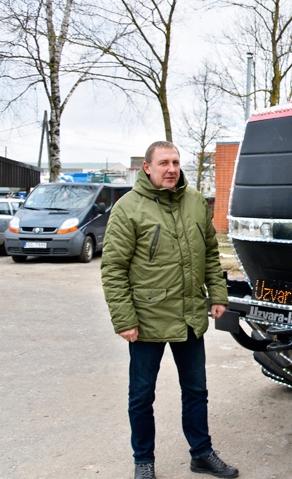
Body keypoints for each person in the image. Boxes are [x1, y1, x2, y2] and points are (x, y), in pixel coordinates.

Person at [102, 141, 239, 479]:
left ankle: (202, 453)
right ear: (147, 168)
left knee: (196, 390)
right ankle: (143, 461)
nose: (171, 169)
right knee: (142, 396)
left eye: (175, 162)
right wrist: (124, 320)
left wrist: (218, 294)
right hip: (146, 320)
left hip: (190, 317)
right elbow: (114, 268)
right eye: (163, 162)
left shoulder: (195, 202)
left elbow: (209, 252)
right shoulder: (128, 208)